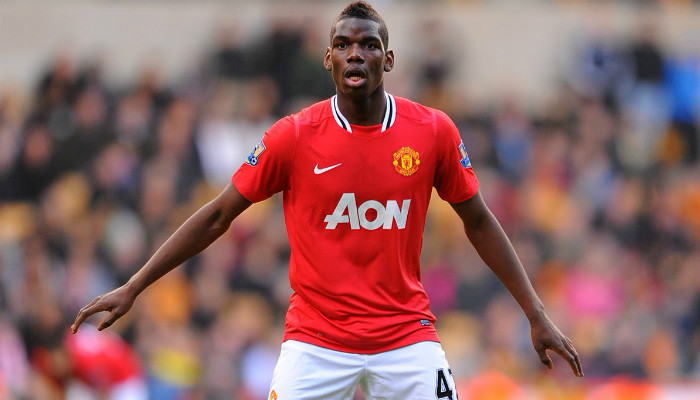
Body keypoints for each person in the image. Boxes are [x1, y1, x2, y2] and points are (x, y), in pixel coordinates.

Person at [72, 2, 584, 398]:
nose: (354, 53)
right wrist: (135, 286)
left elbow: (478, 221)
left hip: (406, 338)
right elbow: (217, 217)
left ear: (389, 57)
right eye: (342, 44)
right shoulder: (294, 137)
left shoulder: (431, 132)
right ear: (328, 58)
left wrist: (535, 312)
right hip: (315, 341)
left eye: (367, 45)